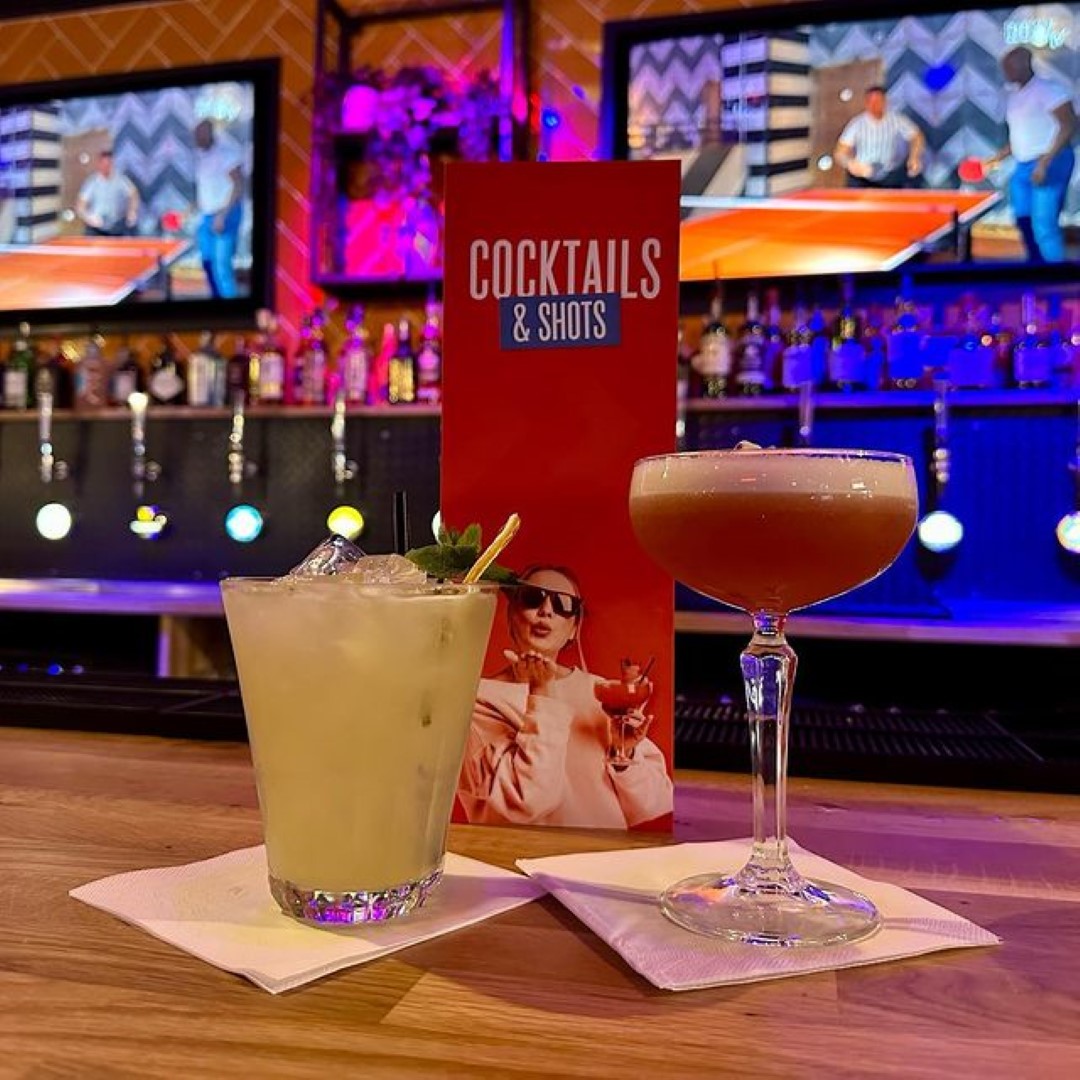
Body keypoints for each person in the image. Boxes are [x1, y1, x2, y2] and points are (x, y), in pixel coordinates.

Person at [457, 565, 673, 829]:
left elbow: (656, 803)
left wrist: (624, 753)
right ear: (511, 614)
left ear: (573, 628)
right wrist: (542, 693)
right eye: (533, 598)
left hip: (604, 862)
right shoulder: (476, 700)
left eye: (563, 604)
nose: (546, 610)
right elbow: (524, 804)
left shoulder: (601, 692)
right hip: (520, 863)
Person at [985, 47, 1077, 263]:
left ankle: (1055, 277)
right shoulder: (1015, 97)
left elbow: (1069, 124)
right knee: (1023, 219)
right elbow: (1021, 134)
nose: (1005, 71)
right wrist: (998, 157)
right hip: (1023, 164)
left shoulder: (1049, 89)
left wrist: (1045, 162)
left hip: (1051, 161)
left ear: (1024, 64)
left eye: (1008, 66)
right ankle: (1036, 266)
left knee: (1043, 224)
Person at [193, 118, 245, 298]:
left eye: (199, 135)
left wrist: (223, 215)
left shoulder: (226, 153)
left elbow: (238, 185)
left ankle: (232, 314)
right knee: (207, 263)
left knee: (221, 266)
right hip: (207, 216)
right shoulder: (202, 157)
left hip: (226, 215)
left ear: (208, 133)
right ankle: (217, 307)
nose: (196, 139)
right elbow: (207, 190)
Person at [834, 86, 925, 188]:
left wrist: (914, 157)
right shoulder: (856, 123)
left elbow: (916, 136)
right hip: (863, 175)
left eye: (877, 101)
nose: (874, 105)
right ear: (866, 103)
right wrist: (849, 163)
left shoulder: (896, 120)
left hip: (889, 176)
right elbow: (840, 152)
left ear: (885, 102)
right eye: (870, 101)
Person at [75, 149, 138, 236]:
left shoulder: (121, 180)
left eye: (109, 164)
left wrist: (132, 211)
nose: (106, 167)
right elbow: (80, 205)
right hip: (96, 225)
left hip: (116, 225)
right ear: (99, 164)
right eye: (104, 164)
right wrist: (88, 217)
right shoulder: (92, 182)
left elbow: (133, 194)